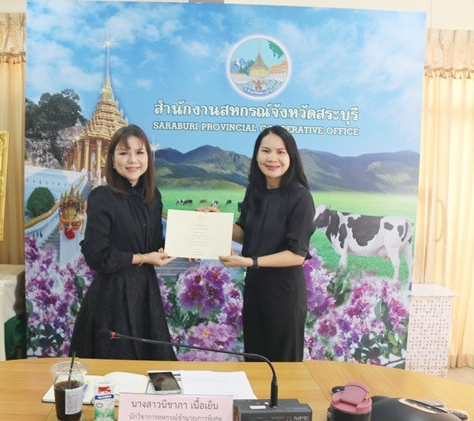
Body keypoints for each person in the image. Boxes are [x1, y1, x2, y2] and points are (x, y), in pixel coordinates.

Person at [199, 125, 315, 362]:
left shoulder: (300, 196)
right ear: (257, 155)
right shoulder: (255, 191)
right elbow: (246, 234)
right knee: (255, 360)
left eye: (280, 152)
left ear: (291, 157)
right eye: (266, 151)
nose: (272, 158)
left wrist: (249, 261)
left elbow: (296, 254)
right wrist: (218, 221)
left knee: (283, 367)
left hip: (284, 294)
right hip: (255, 289)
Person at [70, 124, 177, 360]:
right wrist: (142, 258)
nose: (132, 160)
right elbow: (97, 255)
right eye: (123, 153)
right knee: (117, 368)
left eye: (139, 152)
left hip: (146, 294)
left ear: (148, 157)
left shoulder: (152, 197)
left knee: (153, 367)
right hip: (113, 296)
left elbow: (154, 244)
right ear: (112, 159)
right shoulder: (102, 197)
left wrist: (187, 242)